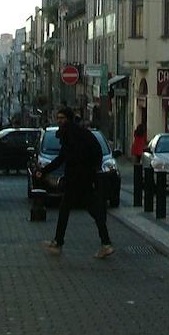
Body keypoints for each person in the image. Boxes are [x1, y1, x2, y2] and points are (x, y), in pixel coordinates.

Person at [37, 107, 114, 259]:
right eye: (58, 118)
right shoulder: (80, 133)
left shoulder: (70, 134)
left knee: (68, 209)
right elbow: (67, 156)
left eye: (62, 118)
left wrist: (45, 171)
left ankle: (59, 243)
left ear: (68, 119)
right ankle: (105, 243)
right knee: (89, 210)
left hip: (77, 179)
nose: (59, 121)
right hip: (84, 178)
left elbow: (64, 158)